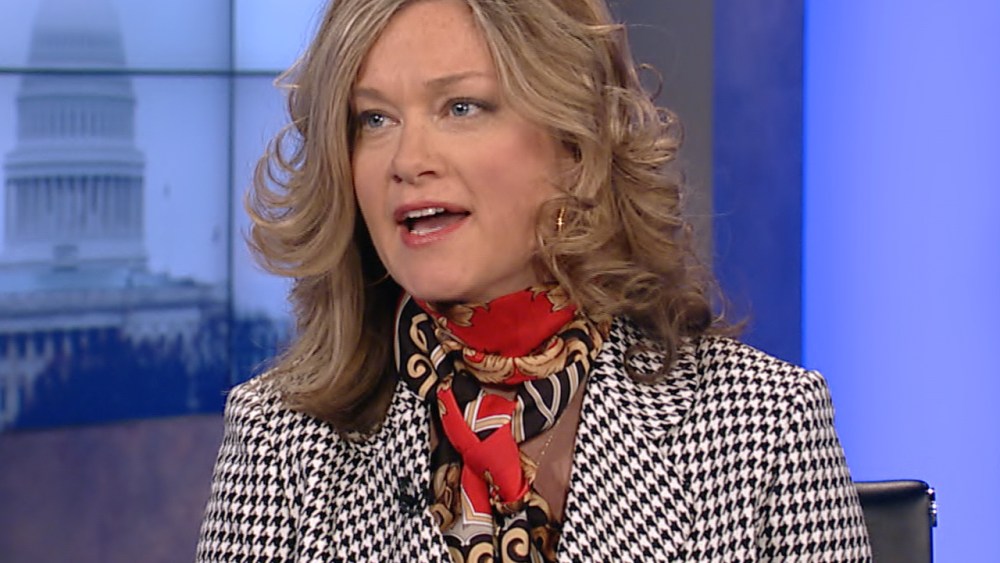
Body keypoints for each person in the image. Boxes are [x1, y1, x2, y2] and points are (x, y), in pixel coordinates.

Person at [197, 0, 872, 560]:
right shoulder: (279, 442)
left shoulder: (763, 426)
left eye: (461, 107)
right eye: (374, 119)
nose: (407, 159)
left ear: (574, 142)